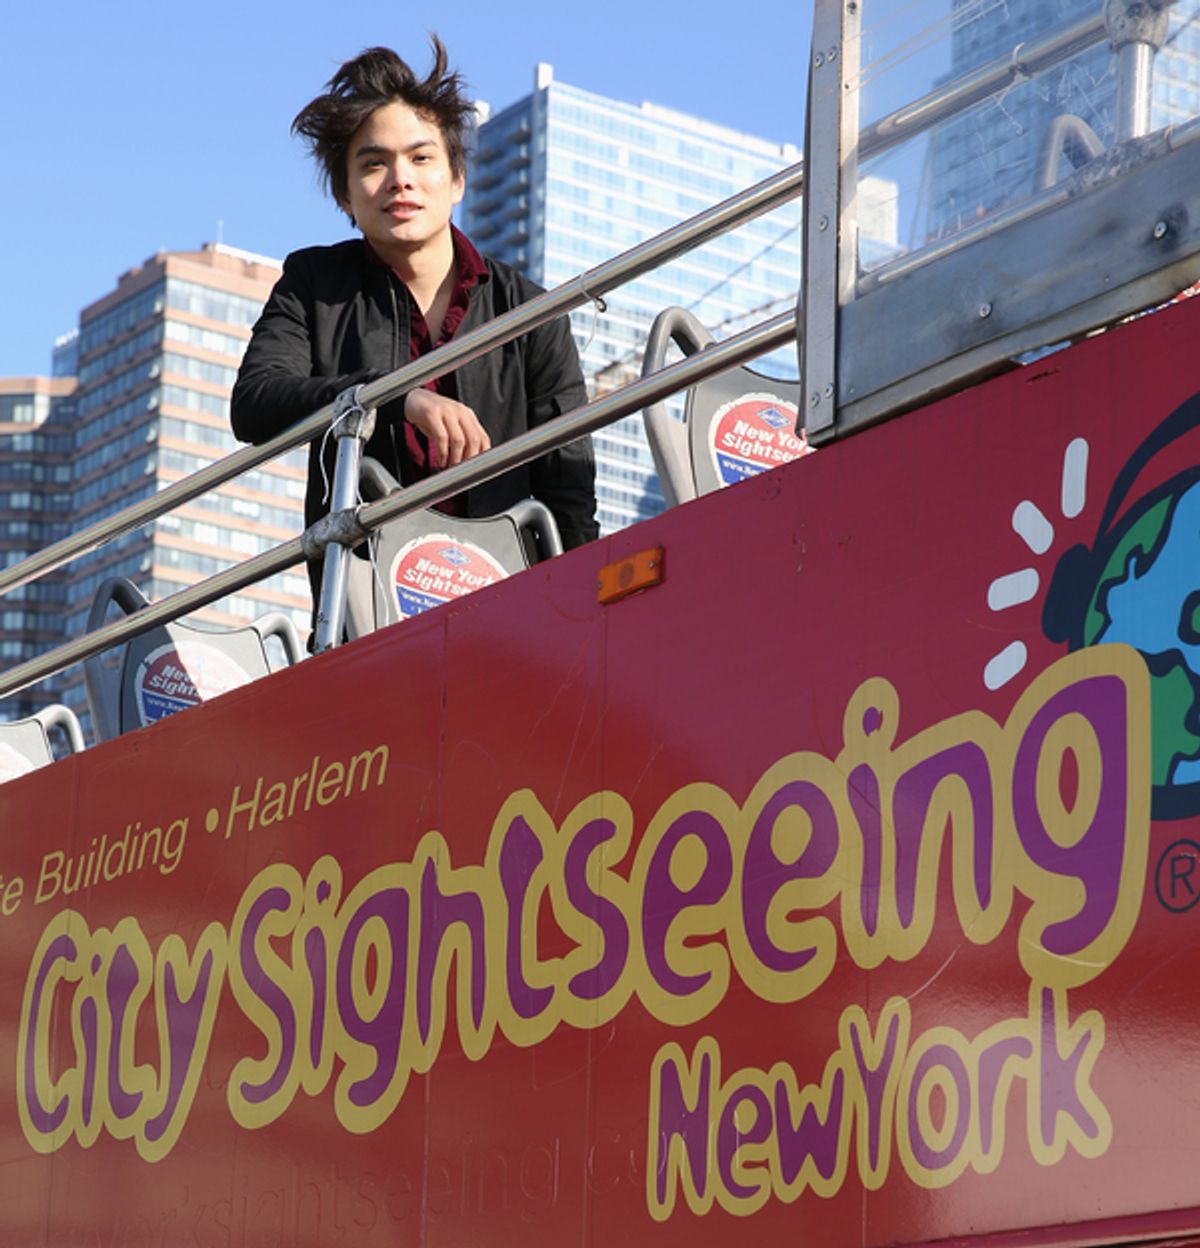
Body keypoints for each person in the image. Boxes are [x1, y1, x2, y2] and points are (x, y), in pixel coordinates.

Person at [231, 40, 598, 621]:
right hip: (369, 612)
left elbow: (569, 492)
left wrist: (588, 622)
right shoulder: (313, 281)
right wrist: (394, 397)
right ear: (346, 196)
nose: (400, 180)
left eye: (421, 159)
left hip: (515, 618)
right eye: (373, 164)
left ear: (456, 180)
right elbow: (253, 403)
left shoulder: (529, 310)